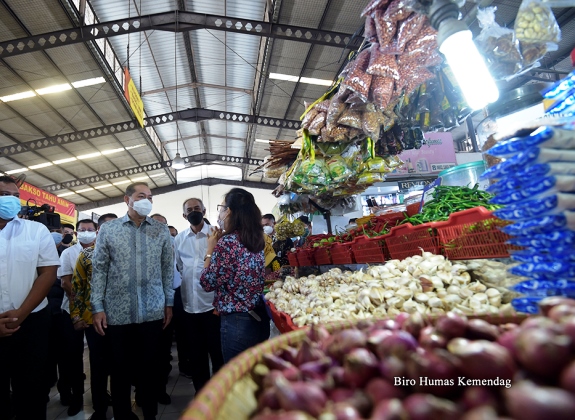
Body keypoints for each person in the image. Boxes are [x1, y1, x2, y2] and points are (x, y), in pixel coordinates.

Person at [91, 182, 174, 420]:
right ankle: (123, 415)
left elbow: (167, 268)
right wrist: (97, 307)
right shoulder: (110, 230)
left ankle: (150, 415)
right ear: (127, 199)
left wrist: (168, 302)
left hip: (152, 311)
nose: (146, 200)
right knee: (120, 372)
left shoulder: (160, 230)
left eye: (150, 196)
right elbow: (99, 270)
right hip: (118, 314)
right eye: (141, 196)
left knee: (150, 370)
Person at [0, 175, 60, 420]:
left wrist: (21, 314)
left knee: (32, 391)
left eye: (15, 196)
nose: (12, 200)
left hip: (31, 323)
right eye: (5, 195)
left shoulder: (36, 230)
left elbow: (47, 273)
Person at [200, 188, 269, 363]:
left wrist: (210, 250)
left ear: (228, 211)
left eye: (221, 208)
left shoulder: (227, 242)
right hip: (257, 316)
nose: (220, 213)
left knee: (237, 378)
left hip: (237, 322)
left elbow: (207, 283)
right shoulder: (256, 238)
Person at [70, 213, 117, 420]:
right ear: (100, 230)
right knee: (98, 366)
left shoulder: (128, 254)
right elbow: (77, 287)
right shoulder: (87, 255)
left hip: (123, 320)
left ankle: (122, 408)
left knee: (120, 366)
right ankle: (99, 409)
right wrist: (76, 315)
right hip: (93, 319)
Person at [174, 198, 224, 392]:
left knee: (217, 353)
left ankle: (221, 395)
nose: (194, 212)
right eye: (189, 210)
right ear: (184, 215)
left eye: (197, 209)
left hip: (213, 307)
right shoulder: (179, 239)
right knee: (196, 355)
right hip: (189, 307)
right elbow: (180, 267)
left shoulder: (216, 235)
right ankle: (201, 392)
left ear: (204, 211)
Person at [54, 219, 100, 416]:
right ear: (76, 233)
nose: (86, 233)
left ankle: (100, 399)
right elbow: (65, 282)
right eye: (82, 230)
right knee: (71, 357)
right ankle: (76, 396)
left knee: (98, 357)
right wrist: (80, 307)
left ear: (96, 232)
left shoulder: (102, 250)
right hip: (72, 310)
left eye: (90, 230)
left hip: (98, 311)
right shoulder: (68, 253)